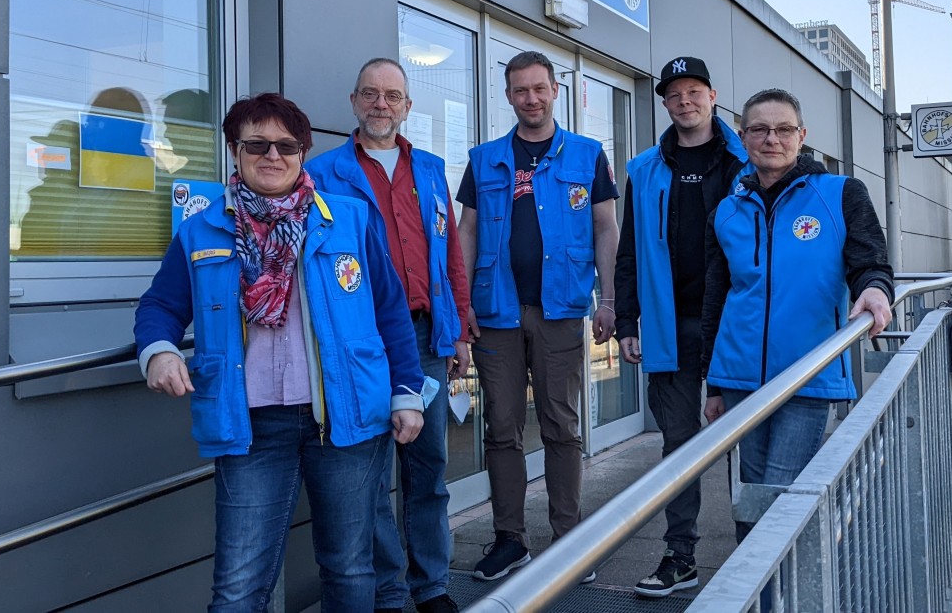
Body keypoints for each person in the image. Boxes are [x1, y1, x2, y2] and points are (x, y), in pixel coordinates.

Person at [134, 93, 436, 612]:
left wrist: (407, 392)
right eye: (257, 144)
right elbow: (160, 306)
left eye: (286, 145)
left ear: (303, 152)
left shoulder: (349, 219)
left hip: (346, 420)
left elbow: (391, 313)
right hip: (250, 425)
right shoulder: (203, 229)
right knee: (237, 587)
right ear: (235, 150)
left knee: (348, 568)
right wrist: (159, 351)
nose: (272, 155)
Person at [307, 59, 470, 613]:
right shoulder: (322, 173)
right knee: (369, 478)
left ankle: (433, 586)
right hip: (355, 346)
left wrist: (460, 331)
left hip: (423, 341)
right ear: (354, 101)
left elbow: (450, 256)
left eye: (393, 96)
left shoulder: (428, 169)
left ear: (407, 106)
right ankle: (390, 590)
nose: (382, 104)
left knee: (429, 471)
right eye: (371, 94)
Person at [701, 88, 893, 545]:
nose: (773, 139)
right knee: (750, 491)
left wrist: (874, 291)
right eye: (760, 129)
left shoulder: (840, 193)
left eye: (784, 129)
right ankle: (758, 590)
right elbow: (717, 298)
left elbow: (870, 262)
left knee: (781, 490)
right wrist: (714, 384)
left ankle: (774, 590)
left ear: (802, 136)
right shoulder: (727, 211)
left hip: (809, 371)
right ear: (743, 137)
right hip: (741, 379)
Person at [456, 50, 620, 582]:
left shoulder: (588, 155)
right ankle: (510, 540)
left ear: (555, 92)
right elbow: (467, 233)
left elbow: (605, 231)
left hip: (561, 311)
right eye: (520, 90)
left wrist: (610, 301)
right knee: (501, 428)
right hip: (496, 312)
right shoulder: (483, 159)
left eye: (539, 88)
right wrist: (462, 310)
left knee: (560, 425)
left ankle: (569, 538)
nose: (530, 98)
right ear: (507, 96)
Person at [614, 56, 747, 597]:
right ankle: (680, 554)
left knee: (749, 438)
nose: (685, 101)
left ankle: (755, 548)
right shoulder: (644, 168)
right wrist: (627, 320)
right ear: (665, 104)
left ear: (713, 97)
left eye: (695, 91)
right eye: (675, 94)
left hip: (736, 326)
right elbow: (629, 252)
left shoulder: (746, 161)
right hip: (671, 327)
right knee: (679, 444)